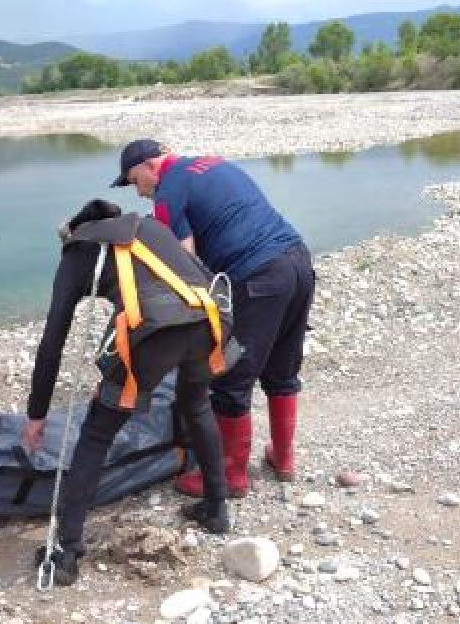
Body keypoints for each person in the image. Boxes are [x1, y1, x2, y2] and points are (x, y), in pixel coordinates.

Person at [22, 199, 233, 587]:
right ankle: (217, 508)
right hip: (210, 319)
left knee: (97, 434)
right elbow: (198, 271)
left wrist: (36, 413)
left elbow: (53, 340)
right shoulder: (151, 227)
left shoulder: (79, 250)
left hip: (155, 332)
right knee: (197, 405)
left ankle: (65, 554)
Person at [110, 139, 315, 498]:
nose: (138, 193)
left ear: (148, 167)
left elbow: (183, 263)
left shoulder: (167, 194)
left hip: (259, 275)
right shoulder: (212, 163)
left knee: (232, 375)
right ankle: (283, 460)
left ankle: (231, 475)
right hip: (297, 262)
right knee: (282, 368)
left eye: (133, 181)